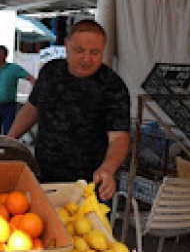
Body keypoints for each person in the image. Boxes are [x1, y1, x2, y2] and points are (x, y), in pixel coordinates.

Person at [7, 20, 130, 201]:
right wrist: (10, 140)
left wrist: (108, 169)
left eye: (95, 52)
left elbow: (119, 137)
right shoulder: (51, 72)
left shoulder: (112, 86)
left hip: (88, 186)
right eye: (79, 51)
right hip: (44, 176)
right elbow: (33, 108)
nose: (87, 59)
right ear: (66, 46)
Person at [0, 45, 35, 135]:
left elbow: (31, 78)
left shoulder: (14, 69)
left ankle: (6, 148)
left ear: (5, 56)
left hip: (8, 106)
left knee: (8, 132)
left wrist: (35, 94)